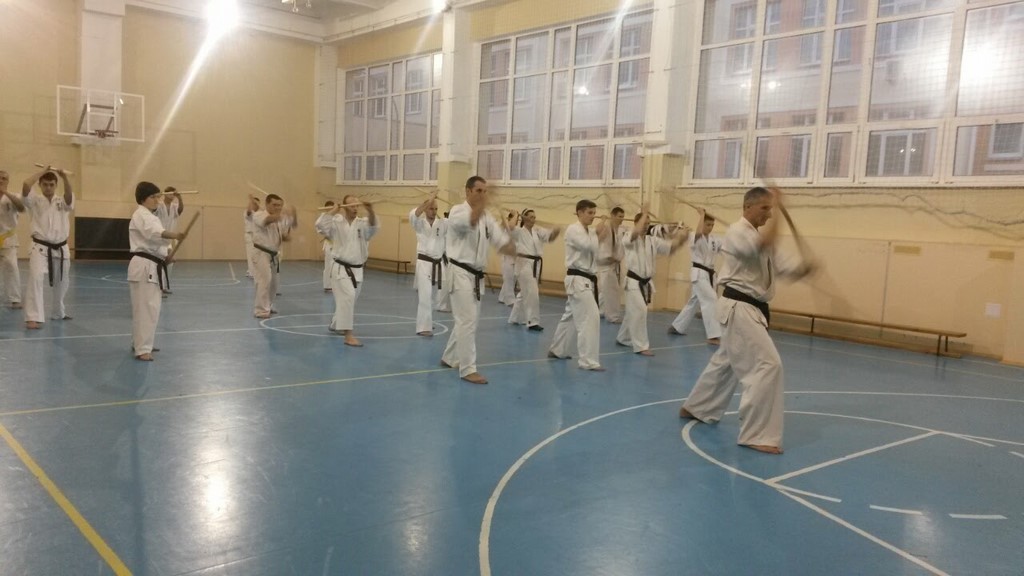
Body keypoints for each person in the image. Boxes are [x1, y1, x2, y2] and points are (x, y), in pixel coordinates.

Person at [679, 187, 815, 455]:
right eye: (764, 208)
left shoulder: (758, 236)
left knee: (726, 362)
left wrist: (803, 269)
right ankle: (757, 433)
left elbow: (781, 265)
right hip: (739, 307)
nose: (769, 214)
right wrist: (780, 212)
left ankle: (697, 407)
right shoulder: (737, 232)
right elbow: (759, 250)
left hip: (751, 308)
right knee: (768, 365)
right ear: (747, 207)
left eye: (771, 209)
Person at [440, 176, 515, 384]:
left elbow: (501, 242)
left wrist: (513, 247)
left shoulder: (487, 217)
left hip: (475, 276)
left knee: (470, 320)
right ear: (468, 191)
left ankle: (450, 357)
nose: (483, 195)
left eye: (485, 191)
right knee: (467, 321)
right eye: (478, 191)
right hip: (459, 272)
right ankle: (467, 369)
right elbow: (471, 221)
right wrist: (484, 205)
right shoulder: (457, 212)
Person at [616, 208, 689, 356]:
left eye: (648, 223)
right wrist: (644, 213)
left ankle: (623, 337)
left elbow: (671, 247)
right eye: (643, 223)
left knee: (633, 311)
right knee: (640, 310)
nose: (646, 226)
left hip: (645, 283)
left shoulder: (652, 240)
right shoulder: (628, 236)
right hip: (633, 281)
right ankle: (641, 346)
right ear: (636, 223)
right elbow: (635, 233)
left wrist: (682, 237)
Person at [547, 199, 609, 371]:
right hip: (578, 279)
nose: (593, 216)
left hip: (586, 279)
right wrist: (598, 232)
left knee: (571, 316)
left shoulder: (588, 231)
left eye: (594, 213)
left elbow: (594, 247)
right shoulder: (573, 229)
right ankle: (588, 361)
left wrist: (599, 233)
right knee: (591, 318)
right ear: (580, 212)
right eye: (589, 213)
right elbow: (588, 246)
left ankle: (558, 349)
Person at [128, 182, 185, 361]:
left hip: (149, 264)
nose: (157, 200)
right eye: (153, 197)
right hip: (145, 266)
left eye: (157, 197)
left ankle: (141, 343)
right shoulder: (142, 214)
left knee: (146, 308)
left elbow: (156, 243)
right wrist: (175, 235)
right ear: (143, 199)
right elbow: (154, 233)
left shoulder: (149, 215)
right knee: (147, 308)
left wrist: (166, 256)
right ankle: (143, 349)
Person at [316, 194, 378, 347]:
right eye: (351, 205)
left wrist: (371, 211)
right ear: (344, 207)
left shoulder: (362, 223)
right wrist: (333, 211)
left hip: (358, 269)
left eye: (357, 205)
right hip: (340, 268)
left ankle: (335, 324)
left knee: (349, 301)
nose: (355, 208)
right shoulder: (336, 222)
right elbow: (320, 226)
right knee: (348, 297)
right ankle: (348, 336)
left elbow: (373, 229)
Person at [22, 166, 73, 329]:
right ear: (40, 185)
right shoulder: (34, 201)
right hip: (40, 247)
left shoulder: (61, 201)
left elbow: (69, 198)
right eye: (45, 184)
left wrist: (64, 177)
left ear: (56, 185)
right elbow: (26, 185)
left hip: (61, 248)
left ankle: (58, 312)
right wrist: (42, 171)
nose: (48, 187)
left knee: (62, 282)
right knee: (36, 278)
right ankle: (32, 317)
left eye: (51, 184)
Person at [670, 208, 724, 344]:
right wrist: (702, 215)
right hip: (699, 273)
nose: (710, 227)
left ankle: (677, 326)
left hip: (709, 274)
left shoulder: (714, 240)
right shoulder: (693, 236)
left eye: (712, 225)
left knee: (694, 301)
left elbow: (727, 248)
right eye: (708, 224)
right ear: (702, 223)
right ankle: (713, 336)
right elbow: (699, 232)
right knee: (711, 299)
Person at [507, 209, 560, 331]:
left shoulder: (538, 231)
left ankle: (515, 317)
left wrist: (556, 231)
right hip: (524, 263)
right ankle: (532, 322)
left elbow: (550, 238)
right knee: (532, 292)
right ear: (524, 218)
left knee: (525, 292)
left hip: (536, 264)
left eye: (534, 217)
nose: (533, 219)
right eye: (531, 217)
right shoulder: (519, 232)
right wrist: (515, 215)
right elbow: (510, 226)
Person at [250, 193, 295, 319]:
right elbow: (268, 220)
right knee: (264, 280)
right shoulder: (259, 215)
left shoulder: (279, 220)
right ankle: (260, 310)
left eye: (280, 205)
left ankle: (268, 305)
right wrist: (285, 214)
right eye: (275, 205)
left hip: (274, 254)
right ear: (267, 204)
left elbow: (284, 237)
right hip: (261, 252)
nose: (278, 207)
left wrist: (287, 235)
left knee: (274, 282)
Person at [409, 192, 446, 336]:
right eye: (431, 208)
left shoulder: (442, 223)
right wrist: (428, 201)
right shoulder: (419, 223)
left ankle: (427, 322)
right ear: (425, 209)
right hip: (424, 263)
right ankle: (423, 327)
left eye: (436, 209)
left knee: (433, 297)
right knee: (425, 296)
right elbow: (415, 214)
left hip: (438, 264)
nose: (434, 211)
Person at [0, 170, 25, 309]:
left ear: (8, 181)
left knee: (11, 267)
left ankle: (15, 299)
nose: (1, 180)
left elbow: (21, 208)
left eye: (4, 178)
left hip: (8, 238)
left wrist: (5, 193)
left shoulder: (13, 196)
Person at [596, 206, 625, 323]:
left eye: (623, 217)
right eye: (619, 216)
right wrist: (603, 220)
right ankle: (613, 316)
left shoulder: (620, 230)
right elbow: (597, 231)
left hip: (612, 264)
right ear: (612, 216)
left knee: (605, 291)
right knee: (611, 291)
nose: (622, 219)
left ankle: (600, 311)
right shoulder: (606, 228)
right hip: (605, 263)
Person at [155, 186, 183, 295]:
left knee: (169, 263)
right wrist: (158, 196)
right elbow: (153, 209)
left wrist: (179, 198)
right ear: (165, 194)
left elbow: (180, 210)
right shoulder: (159, 205)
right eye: (170, 193)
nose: (172, 196)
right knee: (160, 262)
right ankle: (158, 288)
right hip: (158, 238)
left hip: (168, 239)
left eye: (173, 194)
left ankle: (164, 287)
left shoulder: (174, 206)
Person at [496, 211, 518, 306]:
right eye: (515, 219)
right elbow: (507, 225)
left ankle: (502, 297)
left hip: (514, 257)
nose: (516, 221)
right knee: (509, 278)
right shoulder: (505, 229)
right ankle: (510, 300)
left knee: (511, 278)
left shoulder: (516, 230)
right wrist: (513, 215)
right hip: (506, 257)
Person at [244, 196, 260, 279]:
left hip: (258, 236)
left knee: (258, 255)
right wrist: (251, 200)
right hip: (250, 235)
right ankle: (251, 273)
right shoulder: (248, 212)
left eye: (257, 204)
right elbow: (249, 212)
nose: (256, 205)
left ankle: (253, 270)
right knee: (251, 255)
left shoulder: (259, 213)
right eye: (254, 203)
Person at [320, 200, 335, 293]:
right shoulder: (324, 218)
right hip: (329, 244)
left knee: (335, 266)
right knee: (329, 265)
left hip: (336, 245)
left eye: (332, 208)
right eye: (328, 208)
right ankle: (327, 285)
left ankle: (333, 284)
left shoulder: (336, 218)